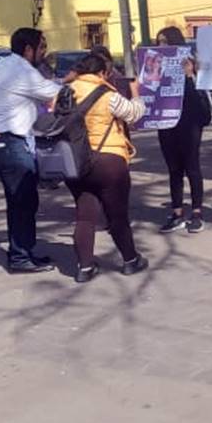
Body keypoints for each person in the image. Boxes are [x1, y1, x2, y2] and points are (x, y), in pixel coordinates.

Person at [0, 28, 63, 273]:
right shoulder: (23, 71)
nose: (45, 51)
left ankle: (25, 250)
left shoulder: (4, 64)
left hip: (0, 141)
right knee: (22, 201)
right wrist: (76, 81)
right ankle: (19, 257)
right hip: (9, 142)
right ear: (28, 49)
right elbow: (57, 93)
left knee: (22, 200)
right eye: (42, 46)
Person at [63, 54, 149, 282]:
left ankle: (84, 267)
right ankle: (131, 260)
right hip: (108, 161)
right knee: (117, 215)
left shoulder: (64, 92)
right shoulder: (107, 95)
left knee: (84, 215)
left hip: (74, 161)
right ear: (101, 73)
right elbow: (134, 113)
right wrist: (137, 93)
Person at [155, 26, 209, 234]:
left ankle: (197, 212)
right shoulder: (157, 65)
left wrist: (189, 75)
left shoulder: (191, 63)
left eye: (165, 42)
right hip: (166, 123)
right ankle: (177, 212)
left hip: (189, 123)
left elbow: (199, 98)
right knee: (173, 169)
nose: (162, 46)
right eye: (159, 42)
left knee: (192, 167)